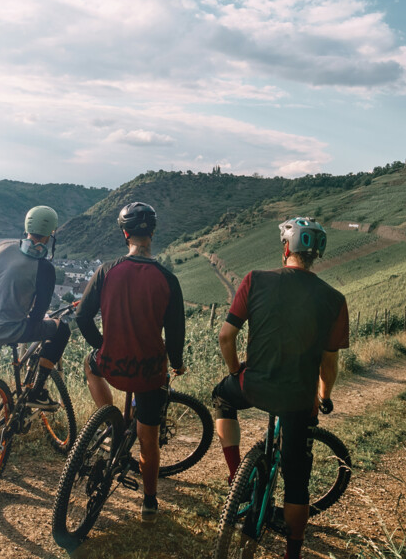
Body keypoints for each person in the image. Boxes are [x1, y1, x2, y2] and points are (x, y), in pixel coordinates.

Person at [211, 217, 349, 559]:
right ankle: (292, 552)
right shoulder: (334, 299)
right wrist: (324, 396)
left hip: (252, 385)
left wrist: (236, 371)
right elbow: (328, 365)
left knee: (222, 397)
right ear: (316, 255)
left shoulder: (255, 280)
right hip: (298, 399)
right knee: (297, 482)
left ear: (286, 248)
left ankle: (236, 478)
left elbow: (226, 336)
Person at [75, 201, 186, 521]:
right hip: (149, 373)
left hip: (111, 364)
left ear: (125, 234)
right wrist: (177, 363)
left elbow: (82, 317)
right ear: (152, 233)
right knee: (149, 442)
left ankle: (110, 419)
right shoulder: (168, 279)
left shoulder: (106, 271)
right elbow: (175, 335)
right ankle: (149, 503)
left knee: (89, 364)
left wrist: (103, 345)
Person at [0, 205, 72, 409]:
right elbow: (38, 314)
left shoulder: (2, 248)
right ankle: (37, 391)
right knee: (62, 329)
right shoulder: (44, 267)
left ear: (27, 227)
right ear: (50, 235)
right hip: (8, 329)